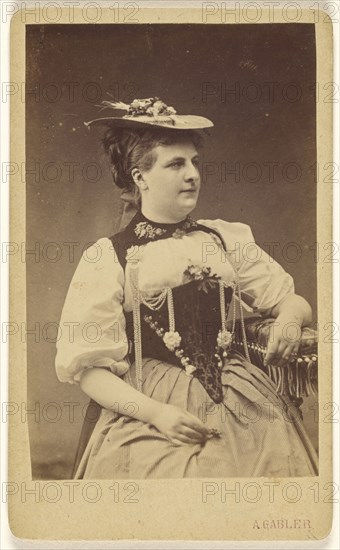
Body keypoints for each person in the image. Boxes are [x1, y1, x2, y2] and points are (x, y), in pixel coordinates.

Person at [55, 97, 318, 479]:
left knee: (275, 467)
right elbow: (89, 371)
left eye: (195, 161)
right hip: (150, 403)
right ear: (140, 177)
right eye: (176, 164)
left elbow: (288, 299)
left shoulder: (224, 238)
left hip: (241, 391)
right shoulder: (110, 257)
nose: (192, 174)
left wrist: (291, 319)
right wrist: (157, 414)